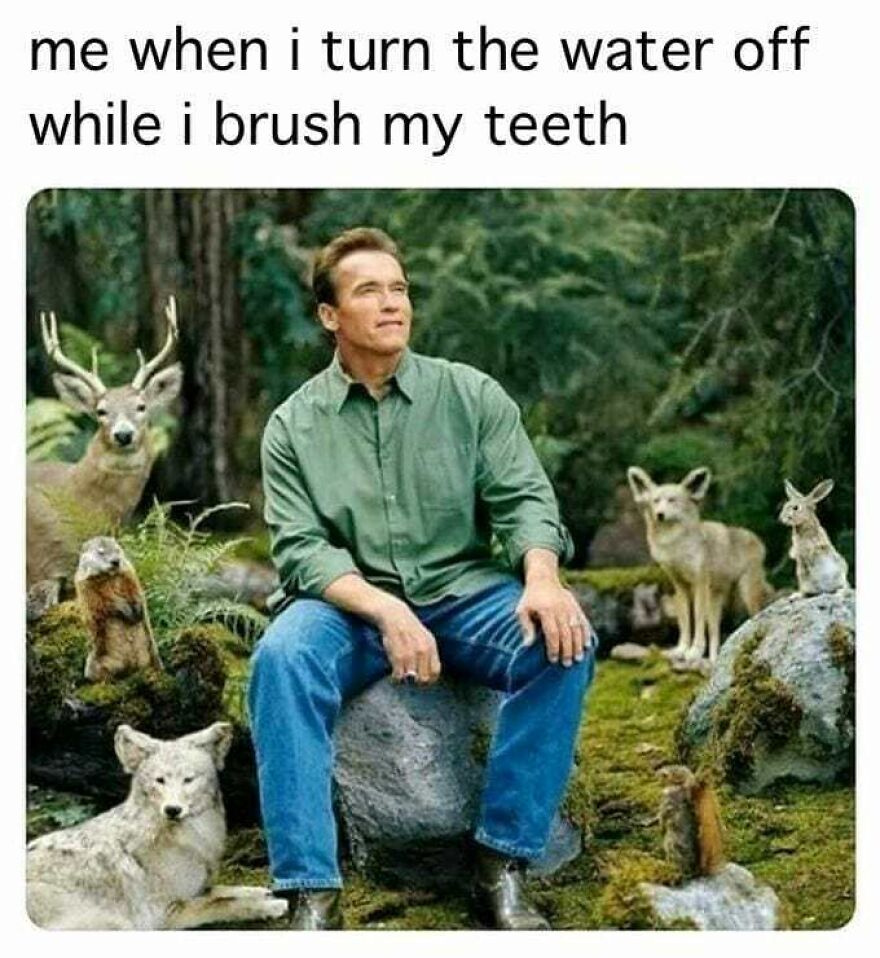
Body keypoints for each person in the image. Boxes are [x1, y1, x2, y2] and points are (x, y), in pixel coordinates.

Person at [248, 227, 596, 930]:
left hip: (465, 594)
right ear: (329, 315)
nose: (392, 304)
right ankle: (311, 891)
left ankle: (501, 862)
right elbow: (302, 551)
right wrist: (385, 610)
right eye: (368, 291)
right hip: (346, 607)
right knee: (281, 659)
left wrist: (543, 578)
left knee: (566, 643)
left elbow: (525, 498)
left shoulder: (469, 394)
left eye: (399, 288)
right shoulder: (293, 426)